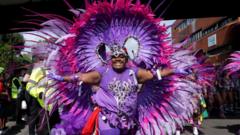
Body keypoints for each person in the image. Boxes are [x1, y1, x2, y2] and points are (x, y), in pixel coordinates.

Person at [49, 46, 182, 135]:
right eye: (114, 56)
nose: (118, 59)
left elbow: (154, 74)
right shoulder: (103, 72)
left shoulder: (134, 72)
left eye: (121, 56)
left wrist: (174, 70)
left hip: (128, 121)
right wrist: (61, 78)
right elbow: (81, 77)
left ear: (126, 59)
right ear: (111, 59)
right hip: (107, 120)